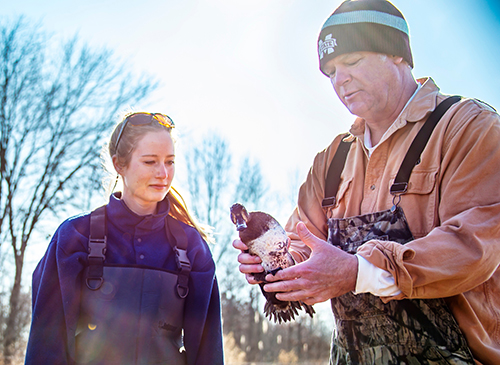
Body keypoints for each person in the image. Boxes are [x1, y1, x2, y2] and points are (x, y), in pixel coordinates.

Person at [234, 0, 500, 364]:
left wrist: (359, 271)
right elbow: (303, 242)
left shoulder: (468, 129)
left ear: (397, 55)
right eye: (330, 72)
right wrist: (279, 267)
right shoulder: (330, 161)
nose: (340, 80)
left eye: (352, 61)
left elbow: (476, 245)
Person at [25, 112, 224, 364]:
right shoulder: (74, 237)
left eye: (170, 161)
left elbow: (209, 352)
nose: (163, 173)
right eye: (150, 162)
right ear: (119, 164)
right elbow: (46, 345)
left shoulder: (193, 247)